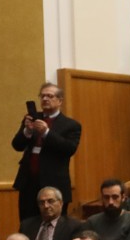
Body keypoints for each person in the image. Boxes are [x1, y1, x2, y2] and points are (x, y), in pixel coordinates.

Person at [12, 83, 82, 220]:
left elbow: (69, 149)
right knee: (27, 224)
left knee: (54, 226)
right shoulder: (32, 118)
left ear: (60, 100)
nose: (45, 99)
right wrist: (27, 131)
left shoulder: (71, 125)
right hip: (28, 183)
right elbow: (17, 145)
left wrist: (47, 133)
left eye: (49, 96)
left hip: (54, 184)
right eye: (42, 96)